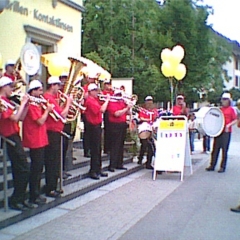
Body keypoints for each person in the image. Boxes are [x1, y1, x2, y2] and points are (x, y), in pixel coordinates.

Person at [0, 76, 30, 210]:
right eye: (10, 86)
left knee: (22, 168)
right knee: (22, 168)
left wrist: (26, 106)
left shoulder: (8, 101)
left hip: (15, 135)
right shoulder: (1, 102)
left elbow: (21, 118)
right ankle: (16, 199)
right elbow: (14, 117)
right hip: (9, 137)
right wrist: (22, 103)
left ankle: (20, 198)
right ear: (3, 87)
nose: (12, 89)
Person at [22, 80, 53, 206]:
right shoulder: (32, 105)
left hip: (40, 138)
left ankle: (36, 193)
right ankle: (34, 195)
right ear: (33, 91)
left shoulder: (38, 103)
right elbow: (40, 121)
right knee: (36, 168)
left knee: (39, 168)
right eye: (39, 90)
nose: (41, 93)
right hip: (35, 140)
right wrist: (48, 111)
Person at [43, 76, 72, 197]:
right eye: (58, 85)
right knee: (52, 161)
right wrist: (69, 104)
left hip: (56, 132)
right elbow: (62, 115)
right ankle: (50, 188)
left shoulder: (53, 98)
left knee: (55, 161)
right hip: (52, 132)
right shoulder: (48, 98)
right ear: (53, 85)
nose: (60, 88)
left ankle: (53, 186)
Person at [206, 92, 237, 173]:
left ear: (229, 101)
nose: (224, 101)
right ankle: (212, 165)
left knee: (224, 150)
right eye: (223, 99)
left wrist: (228, 125)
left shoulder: (231, 110)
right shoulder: (220, 109)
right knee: (215, 149)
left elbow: (236, 119)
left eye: (226, 99)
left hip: (226, 132)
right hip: (218, 131)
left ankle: (222, 167)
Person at [84, 83, 110, 180]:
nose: (97, 92)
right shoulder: (90, 101)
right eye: (94, 90)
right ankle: (93, 171)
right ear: (90, 92)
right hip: (93, 126)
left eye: (97, 90)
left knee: (98, 149)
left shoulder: (95, 100)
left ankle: (98, 169)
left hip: (97, 126)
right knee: (95, 149)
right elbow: (102, 110)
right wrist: (107, 100)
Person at [107, 89, 132, 172]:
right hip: (114, 125)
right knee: (115, 145)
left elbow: (128, 113)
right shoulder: (111, 103)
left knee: (121, 145)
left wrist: (129, 106)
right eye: (117, 95)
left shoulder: (122, 102)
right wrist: (126, 108)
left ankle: (119, 164)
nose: (119, 97)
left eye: (120, 95)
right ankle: (112, 165)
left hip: (122, 124)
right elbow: (117, 114)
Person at [137, 96, 158, 169]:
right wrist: (147, 119)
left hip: (151, 129)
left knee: (151, 147)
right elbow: (141, 118)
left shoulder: (154, 110)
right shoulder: (142, 110)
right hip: (144, 128)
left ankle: (148, 162)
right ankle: (140, 158)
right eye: (148, 101)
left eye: (150, 101)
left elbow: (156, 118)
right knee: (144, 145)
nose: (149, 102)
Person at [59, 72, 73, 179]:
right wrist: (68, 102)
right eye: (62, 79)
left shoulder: (66, 94)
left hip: (67, 122)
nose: (64, 82)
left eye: (66, 79)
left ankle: (63, 169)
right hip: (59, 124)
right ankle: (60, 170)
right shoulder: (58, 95)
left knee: (65, 147)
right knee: (60, 148)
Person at [82, 72, 99, 157]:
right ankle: (86, 150)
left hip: (95, 113)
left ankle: (90, 150)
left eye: (94, 79)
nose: (93, 80)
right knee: (87, 132)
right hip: (87, 111)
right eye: (91, 79)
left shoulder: (96, 88)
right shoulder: (84, 88)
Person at [102, 81, 114, 154]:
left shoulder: (113, 92)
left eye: (109, 84)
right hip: (107, 111)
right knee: (107, 130)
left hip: (113, 111)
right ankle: (107, 148)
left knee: (112, 131)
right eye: (107, 84)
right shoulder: (103, 93)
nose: (108, 85)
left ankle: (111, 147)